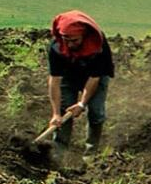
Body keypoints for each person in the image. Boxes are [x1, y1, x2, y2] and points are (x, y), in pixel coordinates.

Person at [47, 10, 114, 153]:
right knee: (64, 111)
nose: (70, 45)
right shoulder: (56, 47)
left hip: (94, 76)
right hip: (69, 76)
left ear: (83, 36)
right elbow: (54, 80)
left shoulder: (98, 45)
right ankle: (58, 152)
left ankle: (91, 151)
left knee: (96, 112)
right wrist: (55, 114)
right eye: (67, 40)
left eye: (75, 40)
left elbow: (94, 77)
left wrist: (82, 103)